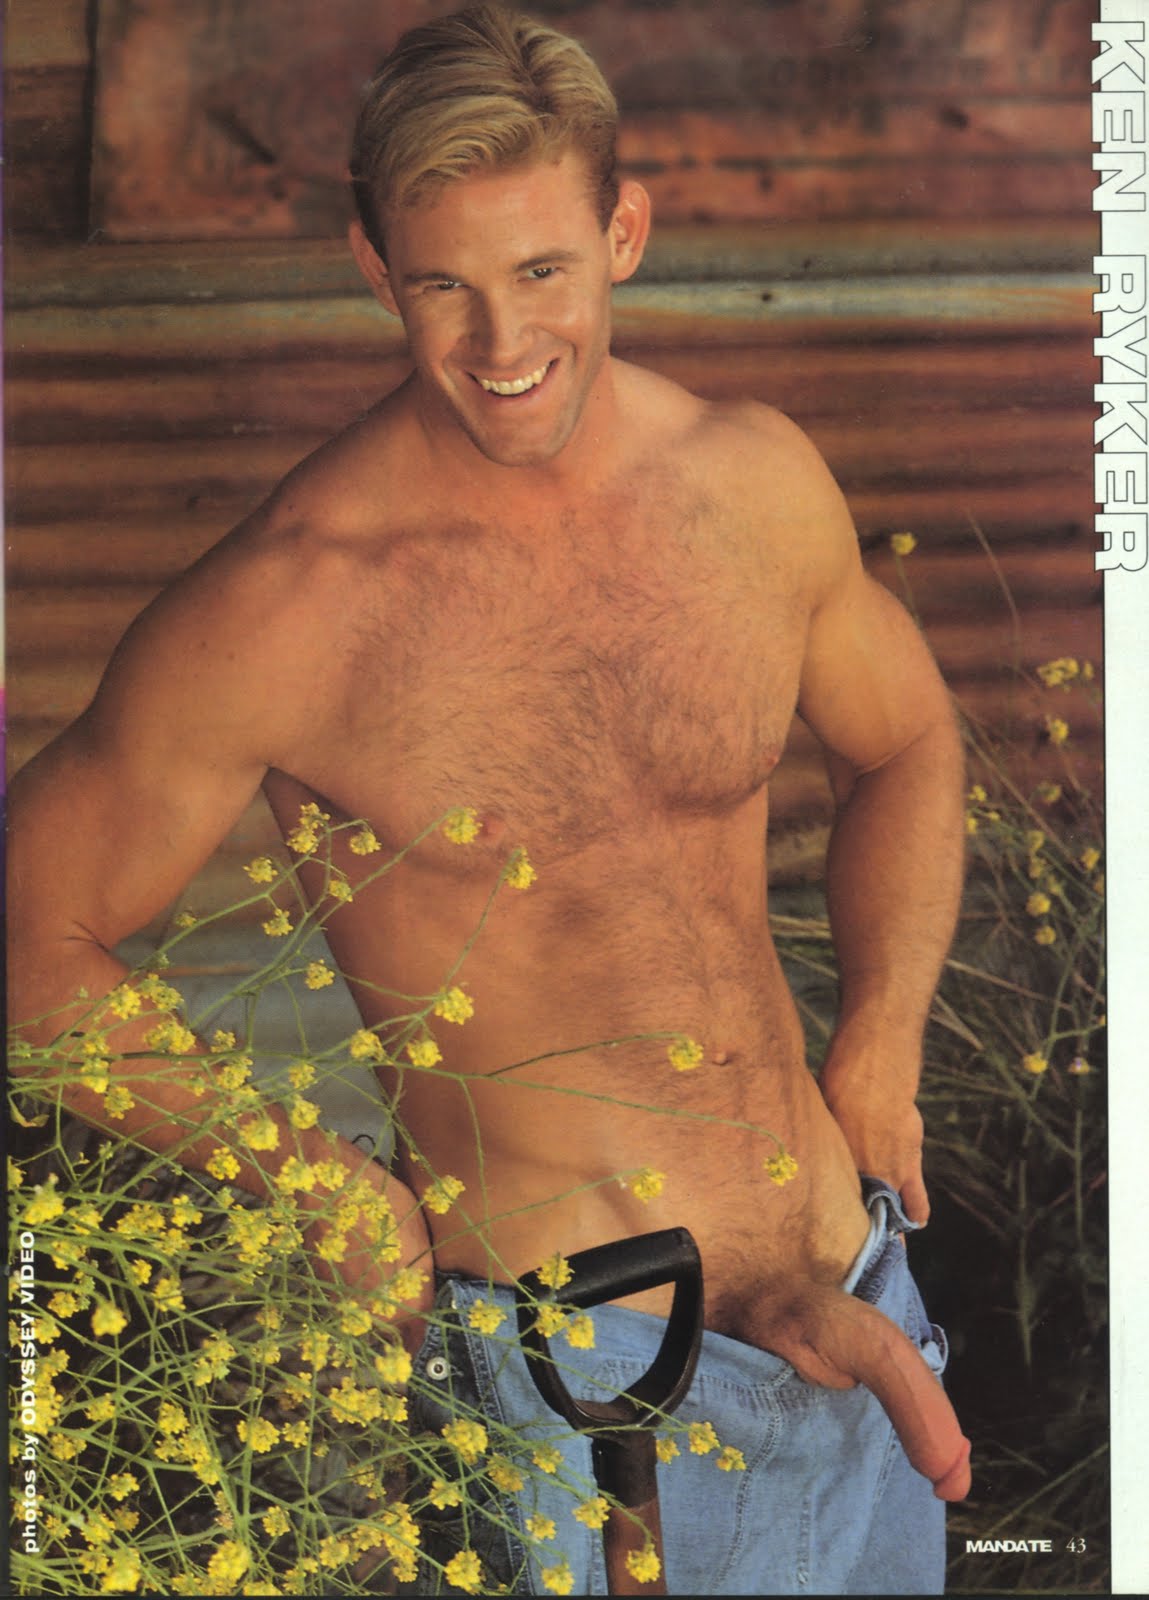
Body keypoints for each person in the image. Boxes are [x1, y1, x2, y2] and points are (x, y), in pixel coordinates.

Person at [8, 5, 972, 1593]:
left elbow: (910, 741)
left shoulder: (750, 482)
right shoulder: (290, 605)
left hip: (857, 1298)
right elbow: (30, 942)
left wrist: (880, 1035)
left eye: (539, 271)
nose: (499, 340)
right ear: (374, 270)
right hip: (582, 1399)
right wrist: (322, 1188)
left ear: (623, 234)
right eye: (441, 284)